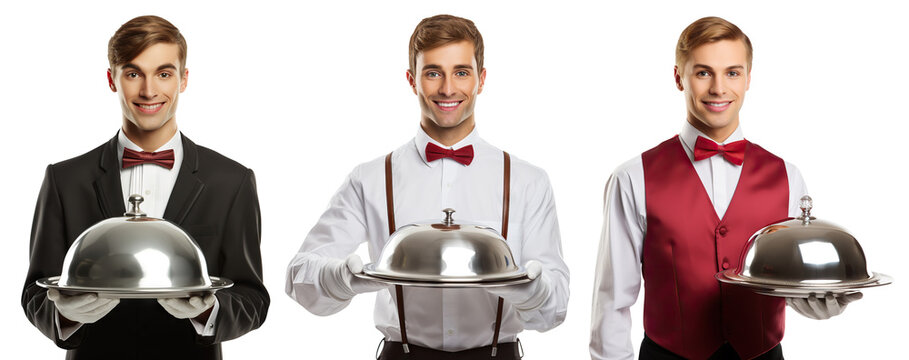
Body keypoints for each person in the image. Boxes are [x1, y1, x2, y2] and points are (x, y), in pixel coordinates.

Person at [285, 14, 569, 360]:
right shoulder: (371, 178)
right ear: (412, 79)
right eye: (433, 73)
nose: (448, 89)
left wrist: (533, 290)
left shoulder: (527, 180)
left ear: (481, 79)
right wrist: (345, 277)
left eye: (461, 72)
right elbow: (299, 276)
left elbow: (555, 310)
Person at [589, 16, 862, 360]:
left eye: (732, 72)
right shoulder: (633, 177)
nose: (719, 88)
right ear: (679, 78)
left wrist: (819, 303)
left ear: (748, 78)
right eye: (704, 73)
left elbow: (791, 285)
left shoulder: (787, 176)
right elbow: (612, 301)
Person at [21, 15, 269, 360]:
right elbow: (35, 294)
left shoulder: (231, 181)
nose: (149, 91)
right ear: (112, 79)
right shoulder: (65, 179)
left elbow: (253, 298)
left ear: (183, 79)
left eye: (164, 74)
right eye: (133, 74)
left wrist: (207, 312)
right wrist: (65, 316)